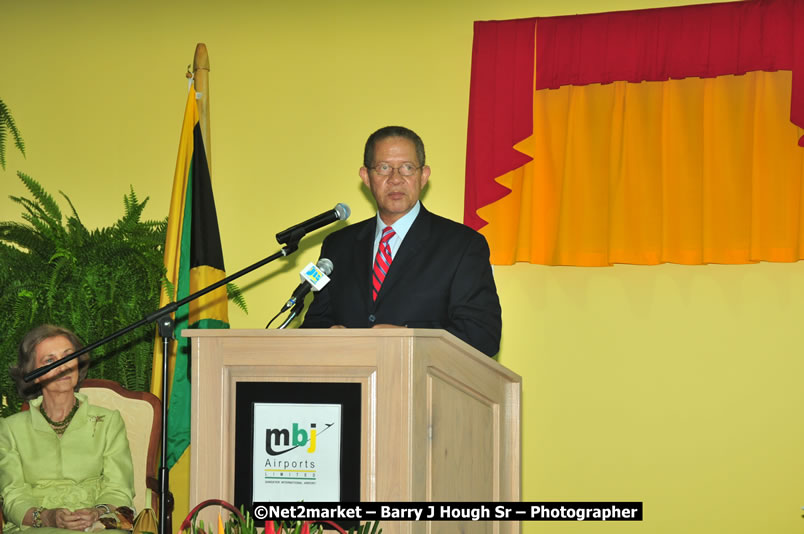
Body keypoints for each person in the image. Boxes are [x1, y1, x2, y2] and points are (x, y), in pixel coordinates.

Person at [301, 126, 502, 357]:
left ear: (423, 176)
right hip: (349, 385)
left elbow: (483, 335)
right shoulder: (338, 245)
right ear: (366, 177)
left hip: (423, 387)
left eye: (407, 168)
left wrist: (409, 338)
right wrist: (326, 333)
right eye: (384, 168)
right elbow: (314, 322)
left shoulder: (462, 246)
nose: (395, 179)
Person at [0, 325, 134, 533]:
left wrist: (97, 512)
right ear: (33, 374)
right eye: (50, 360)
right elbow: (13, 495)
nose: (62, 367)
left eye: (68, 357)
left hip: (98, 525)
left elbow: (119, 488)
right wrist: (46, 517)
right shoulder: (9, 429)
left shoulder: (109, 421)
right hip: (36, 526)